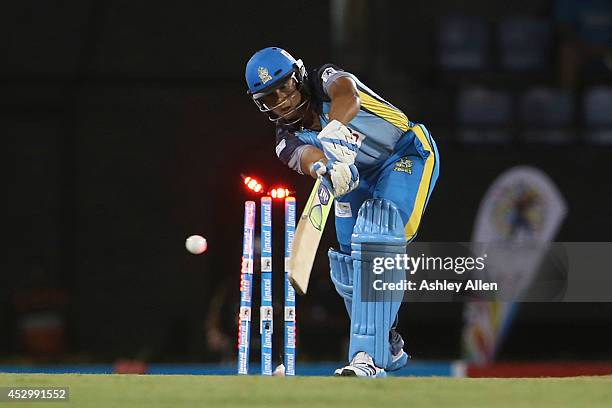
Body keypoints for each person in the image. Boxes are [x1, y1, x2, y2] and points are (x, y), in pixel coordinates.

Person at [245, 47, 440, 377]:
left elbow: (347, 93)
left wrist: (334, 128)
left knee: (378, 237)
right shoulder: (284, 142)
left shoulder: (324, 80)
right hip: (354, 178)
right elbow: (306, 157)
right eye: (269, 96)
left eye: (284, 86)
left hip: (406, 153)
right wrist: (325, 168)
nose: (282, 99)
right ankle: (387, 341)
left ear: (299, 77)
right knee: (348, 262)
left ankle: (368, 358)